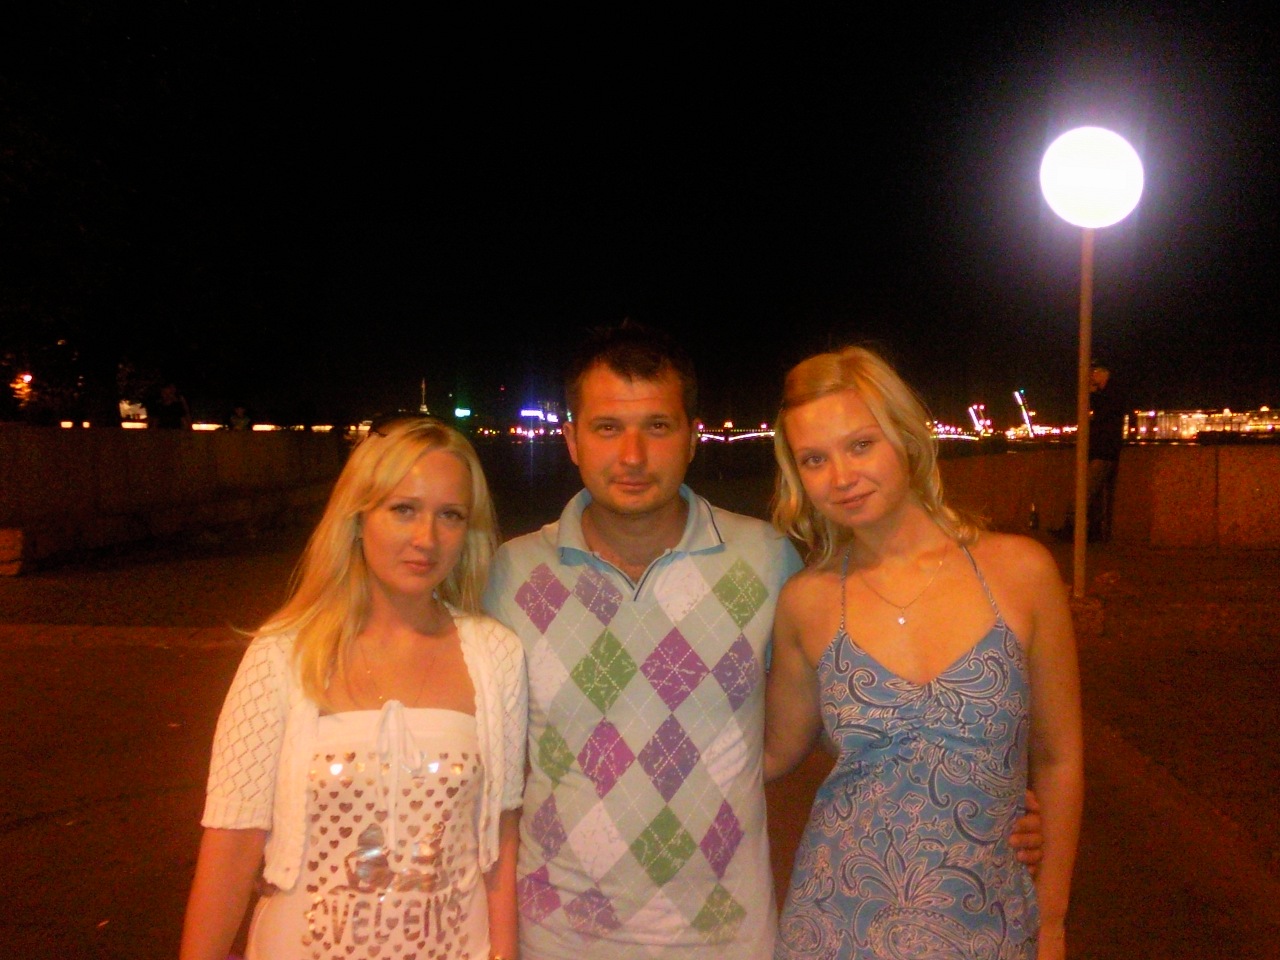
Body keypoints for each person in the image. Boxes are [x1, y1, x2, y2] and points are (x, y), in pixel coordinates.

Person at [482, 321, 1044, 960]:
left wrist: (985, 798)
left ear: (693, 437)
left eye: (658, 427)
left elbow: (853, 720)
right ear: (572, 440)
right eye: (607, 428)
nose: (632, 455)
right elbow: (478, 762)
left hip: (728, 939)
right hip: (555, 938)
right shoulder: (510, 575)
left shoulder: (768, 561)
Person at [764, 346, 1083, 960]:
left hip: (990, 926)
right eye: (814, 459)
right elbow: (771, 753)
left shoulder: (1020, 573)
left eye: (861, 445)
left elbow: (1059, 758)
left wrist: (1052, 921)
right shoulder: (808, 601)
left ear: (906, 439)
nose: (841, 476)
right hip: (834, 928)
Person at [180, 416, 527, 960]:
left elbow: (500, 838)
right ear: (359, 517)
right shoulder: (281, 655)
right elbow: (232, 844)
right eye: (403, 509)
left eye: (451, 515)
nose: (426, 538)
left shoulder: (496, 655)